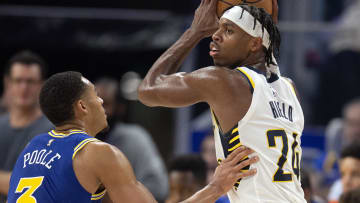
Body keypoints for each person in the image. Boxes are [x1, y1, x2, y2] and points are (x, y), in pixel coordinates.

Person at [138, 0, 306, 202]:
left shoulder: (224, 81)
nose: (215, 36)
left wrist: (195, 31)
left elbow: (148, 89)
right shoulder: (289, 88)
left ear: (254, 43)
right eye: (217, 29)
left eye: (228, 31)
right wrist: (264, 27)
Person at [7, 71, 259, 202]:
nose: (101, 101)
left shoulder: (32, 147)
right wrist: (216, 187)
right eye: (95, 95)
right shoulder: (98, 153)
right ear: (82, 107)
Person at [95, 77, 169, 201]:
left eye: (106, 104)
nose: (100, 110)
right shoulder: (75, 140)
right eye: (96, 104)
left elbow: (159, 188)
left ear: (120, 108)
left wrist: (112, 194)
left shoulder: (136, 138)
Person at [0, 51, 53, 201]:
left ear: (42, 85)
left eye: (30, 81)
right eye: (18, 80)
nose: (24, 88)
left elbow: (35, 183)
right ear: (7, 83)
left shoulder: (53, 132)